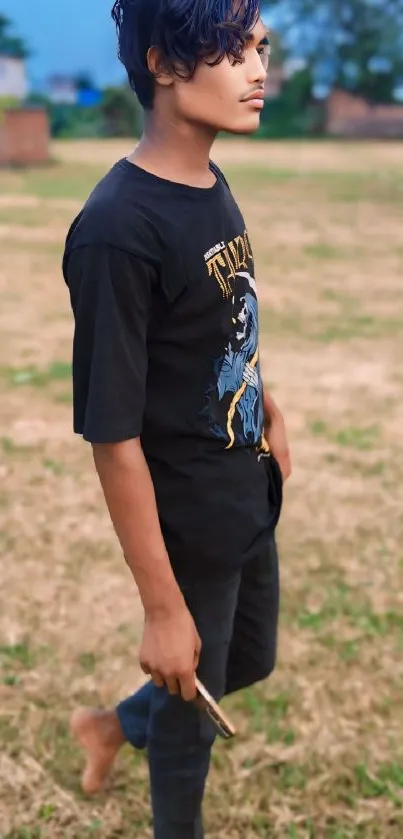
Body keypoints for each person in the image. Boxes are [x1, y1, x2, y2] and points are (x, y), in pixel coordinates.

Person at [63, 1, 292, 836]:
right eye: (233, 51)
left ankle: (111, 722)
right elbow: (112, 433)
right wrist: (161, 609)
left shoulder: (207, 179)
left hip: (243, 486)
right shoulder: (118, 231)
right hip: (186, 515)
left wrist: (264, 401)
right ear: (164, 63)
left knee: (244, 660)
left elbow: (220, 313)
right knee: (188, 722)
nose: (259, 68)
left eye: (258, 46)